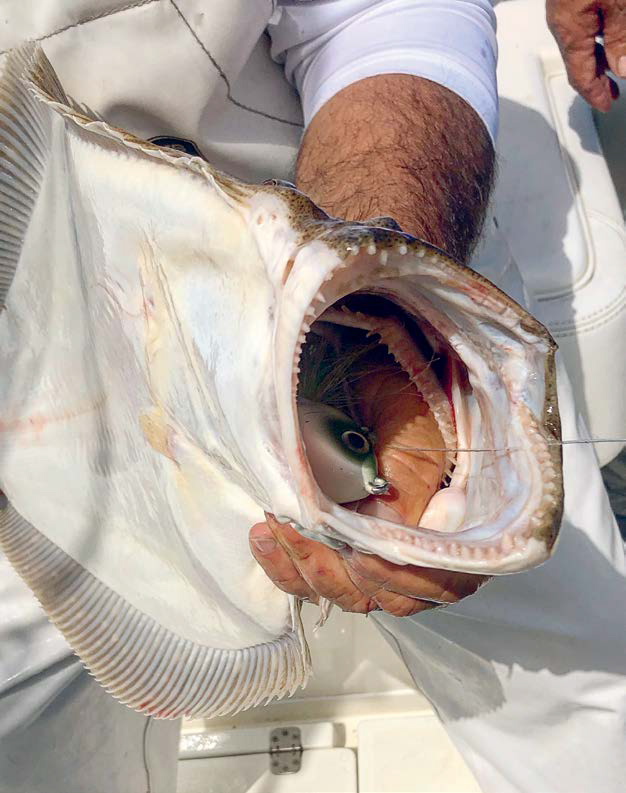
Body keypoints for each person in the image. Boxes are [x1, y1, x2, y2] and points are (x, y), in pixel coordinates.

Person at [0, 1, 624, 792]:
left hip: (351, 206)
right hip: (58, 324)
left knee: (579, 673)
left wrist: (370, 291)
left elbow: (389, 11)